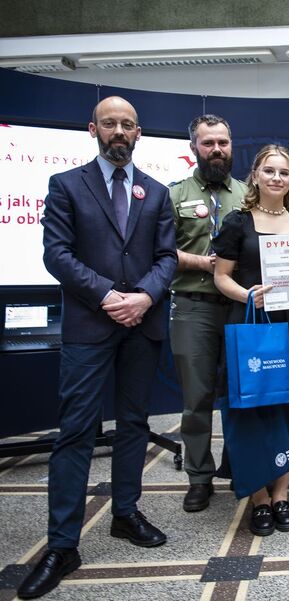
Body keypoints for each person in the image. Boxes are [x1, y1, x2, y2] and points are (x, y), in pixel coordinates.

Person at [19, 96, 177, 600]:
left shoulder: (156, 192)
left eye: (127, 125)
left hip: (142, 325)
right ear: (93, 129)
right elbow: (56, 254)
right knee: (76, 433)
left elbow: (167, 257)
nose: (119, 131)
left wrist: (145, 296)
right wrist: (109, 296)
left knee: (133, 424)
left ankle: (125, 514)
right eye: (110, 123)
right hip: (90, 326)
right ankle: (63, 545)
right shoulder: (66, 185)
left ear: (138, 133)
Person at [212, 145, 289, 536]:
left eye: (284, 172)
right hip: (252, 326)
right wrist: (248, 296)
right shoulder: (237, 223)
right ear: (255, 175)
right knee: (251, 412)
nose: (276, 178)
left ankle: (281, 495)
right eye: (269, 171)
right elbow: (221, 277)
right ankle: (258, 498)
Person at [168, 114, 247, 512]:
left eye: (223, 143)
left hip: (238, 308)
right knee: (196, 398)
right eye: (208, 143)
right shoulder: (174, 195)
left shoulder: (249, 195)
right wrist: (205, 264)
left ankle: (241, 468)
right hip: (193, 307)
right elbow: (159, 252)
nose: (217, 150)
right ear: (194, 148)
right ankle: (199, 477)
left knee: (241, 395)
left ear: (231, 146)